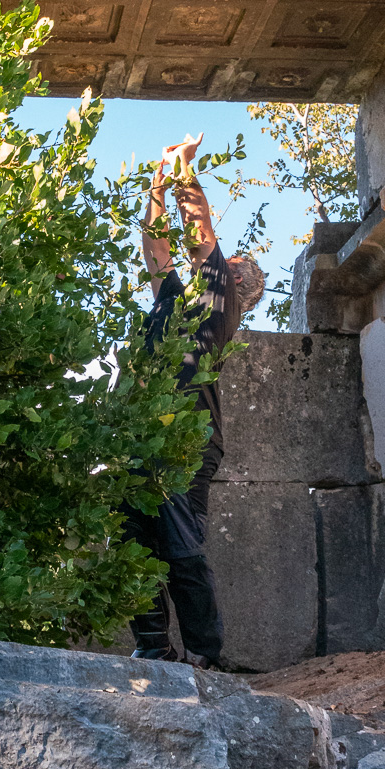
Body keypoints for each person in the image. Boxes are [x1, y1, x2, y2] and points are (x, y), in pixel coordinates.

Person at [123, 134, 266, 668]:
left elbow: (199, 236)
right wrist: (156, 186)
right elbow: (157, 251)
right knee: (134, 545)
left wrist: (185, 169)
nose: (227, 261)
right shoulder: (172, 303)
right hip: (143, 434)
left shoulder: (218, 303)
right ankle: (154, 647)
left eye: (234, 264)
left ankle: (206, 654)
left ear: (237, 285)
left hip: (187, 440)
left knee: (182, 548)